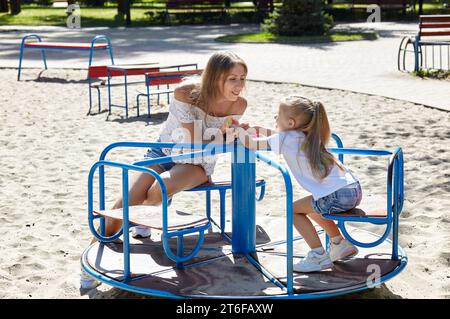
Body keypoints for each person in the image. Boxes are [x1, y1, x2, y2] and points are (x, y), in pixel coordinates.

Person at [80, 51, 249, 289]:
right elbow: (193, 136)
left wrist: (229, 134)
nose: (239, 85)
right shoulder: (186, 92)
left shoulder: (239, 103)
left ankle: (141, 218)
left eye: (242, 78)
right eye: (233, 78)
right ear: (214, 77)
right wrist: (225, 134)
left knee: (157, 192)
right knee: (130, 197)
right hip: (163, 151)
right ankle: (95, 251)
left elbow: (210, 143)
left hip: (197, 163)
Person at [236, 95, 361, 273]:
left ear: (291, 122)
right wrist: (262, 130)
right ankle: (338, 242)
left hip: (335, 195)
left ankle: (318, 255)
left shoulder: (286, 139)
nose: (275, 118)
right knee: (311, 207)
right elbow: (281, 136)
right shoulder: (308, 135)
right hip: (353, 190)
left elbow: (250, 144)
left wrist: (238, 131)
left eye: (277, 115)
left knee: (293, 211)